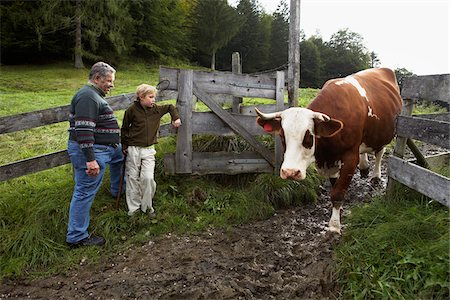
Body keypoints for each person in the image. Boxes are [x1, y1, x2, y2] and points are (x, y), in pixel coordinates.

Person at [66, 62, 124, 247]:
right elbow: (83, 129)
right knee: (84, 191)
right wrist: (90, 159)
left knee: (120, 158)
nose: (111, 85)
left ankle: (117, 191)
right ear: (97, 78)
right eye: (108, 81)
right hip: (95, 152)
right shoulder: (88, 97)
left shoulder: (94, 95)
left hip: (107, 149)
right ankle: (77, 236)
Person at [121, 83, 181, 217]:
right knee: (132, 178)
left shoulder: (156, 110)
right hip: (133, 149)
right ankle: (134, 209)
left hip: (149, 150)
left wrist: (175, 118)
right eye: (151, 97)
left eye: (154, 97)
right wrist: (124, 146)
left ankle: (147, 207)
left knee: (148, 178)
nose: (153, 100)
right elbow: (124, 129)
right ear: (141, 97)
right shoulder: (131, 111)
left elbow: (171, 107)